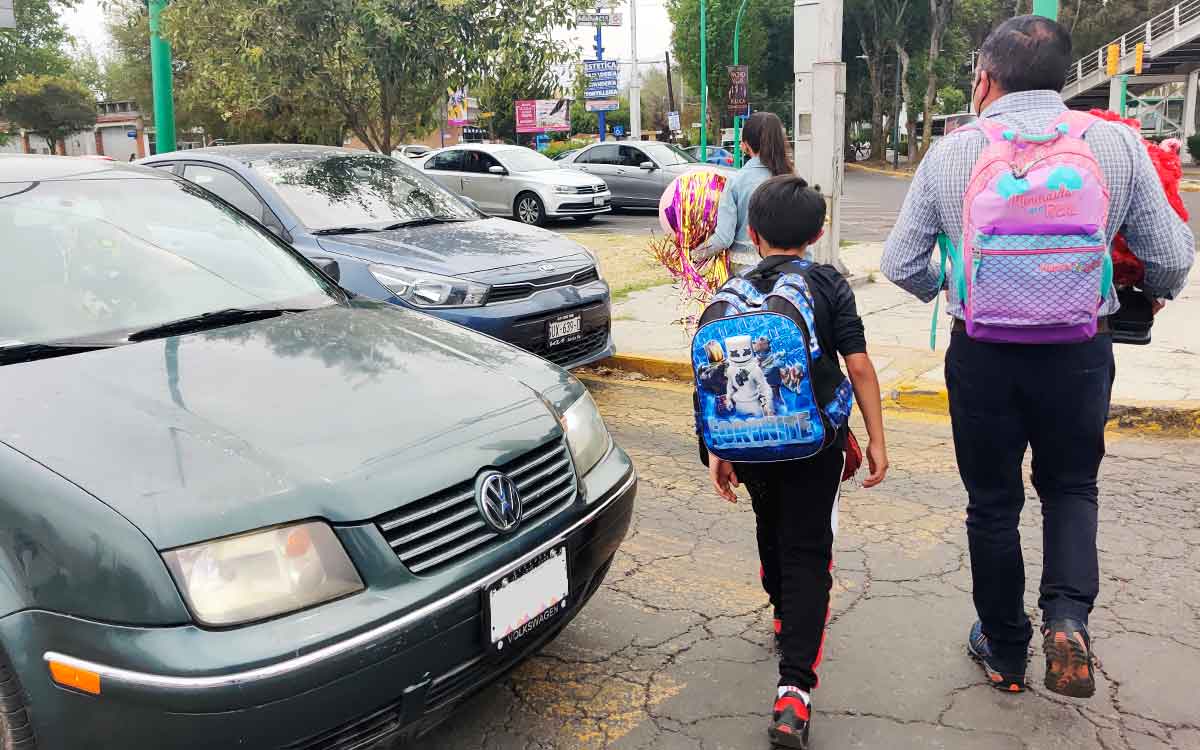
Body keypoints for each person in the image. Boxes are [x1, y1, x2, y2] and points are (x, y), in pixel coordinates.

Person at [882, 15, 1194, 698]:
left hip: (983, 353)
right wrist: (1155, 294)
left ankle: (1004, 648)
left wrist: (956, 286)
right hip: (1079, 349)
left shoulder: (952, 151)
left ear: (985, 80)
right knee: (1071, 487)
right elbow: (1172, 255)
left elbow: (900, 263)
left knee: (992, 504)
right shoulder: (1114, 143)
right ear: (1060, 78)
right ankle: (1067, 618)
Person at [704, 176, 889, 749]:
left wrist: (718, 449)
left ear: (753, 235)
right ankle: (793, 693)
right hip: (813, 443)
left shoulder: (731, 294)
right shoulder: (828, 282)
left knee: (769, 524)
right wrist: (877, 439)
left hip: (748, 444)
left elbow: (711, 382)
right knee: (808, 549)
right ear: (818, 232)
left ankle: (783, 613)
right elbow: (857, 366)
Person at [698, 112, 795, 275]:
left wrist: (694, 254)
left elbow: (723, 239)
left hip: (744, 272)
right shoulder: (792, 180)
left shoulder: (736, 182)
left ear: (745, 145)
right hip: (785, 272)